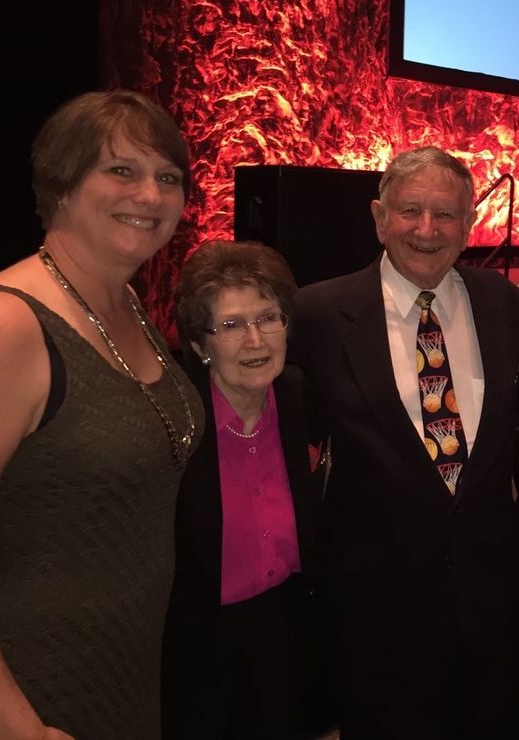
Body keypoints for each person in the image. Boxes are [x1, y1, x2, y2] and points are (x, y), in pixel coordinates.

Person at [0, 90, 202, 739]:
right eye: (121, 170)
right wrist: (16, 729)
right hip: (26, 696)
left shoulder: (125, 303)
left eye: (167, 177)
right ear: (61, 182)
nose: (150, 195)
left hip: (122, 683)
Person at [288, 147, 519, 740]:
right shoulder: (317, 313)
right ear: (378, 217)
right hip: (374, 618)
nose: (427, 230)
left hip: (487, 615)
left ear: (470, 225)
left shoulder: (505, 304)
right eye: (410, 211)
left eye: (445, 215)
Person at [161, 240, 330, 739]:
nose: (255, 340)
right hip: (202, 648)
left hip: (292, 633)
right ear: (199, 345)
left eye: (269, 318)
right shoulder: (174, 421)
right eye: (231, 325)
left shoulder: (303, 397)